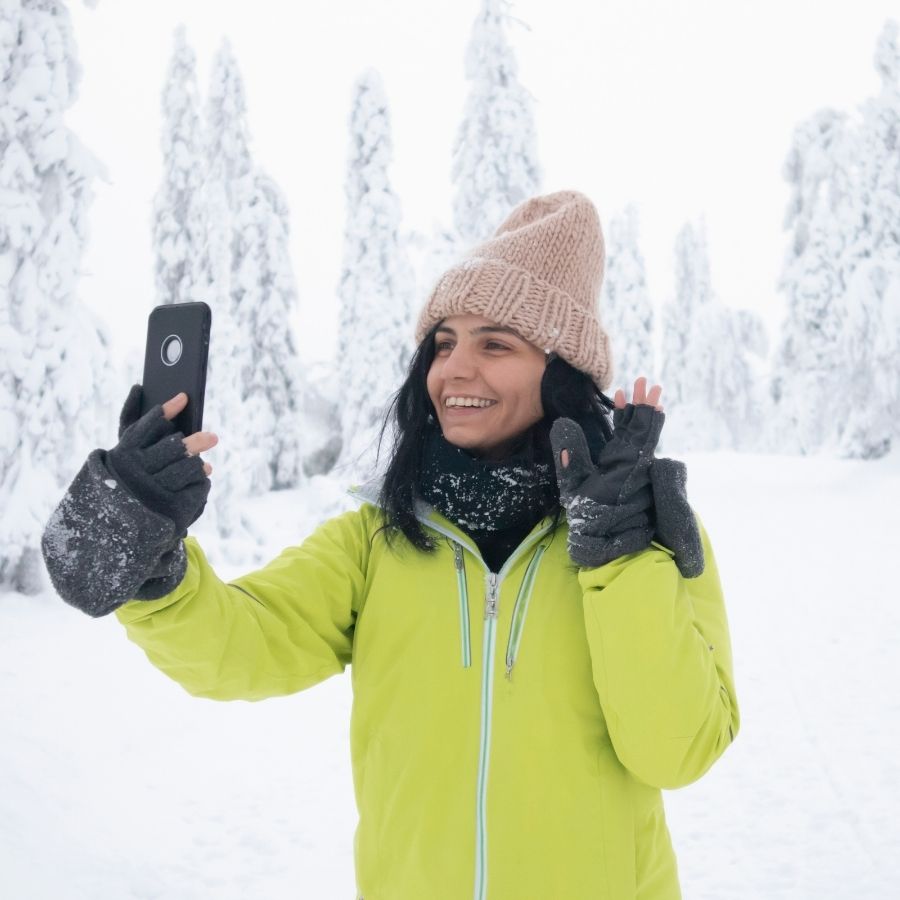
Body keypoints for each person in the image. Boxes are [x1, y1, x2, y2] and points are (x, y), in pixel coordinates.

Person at [41, 190, 739, 900]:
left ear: (562, 374)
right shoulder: (377, 541)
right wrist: (154, 566)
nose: (453, 370)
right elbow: (240, 644)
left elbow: (676, 749)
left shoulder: (648, 533)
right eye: (443, 344)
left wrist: (618, 561)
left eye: (495, 343)